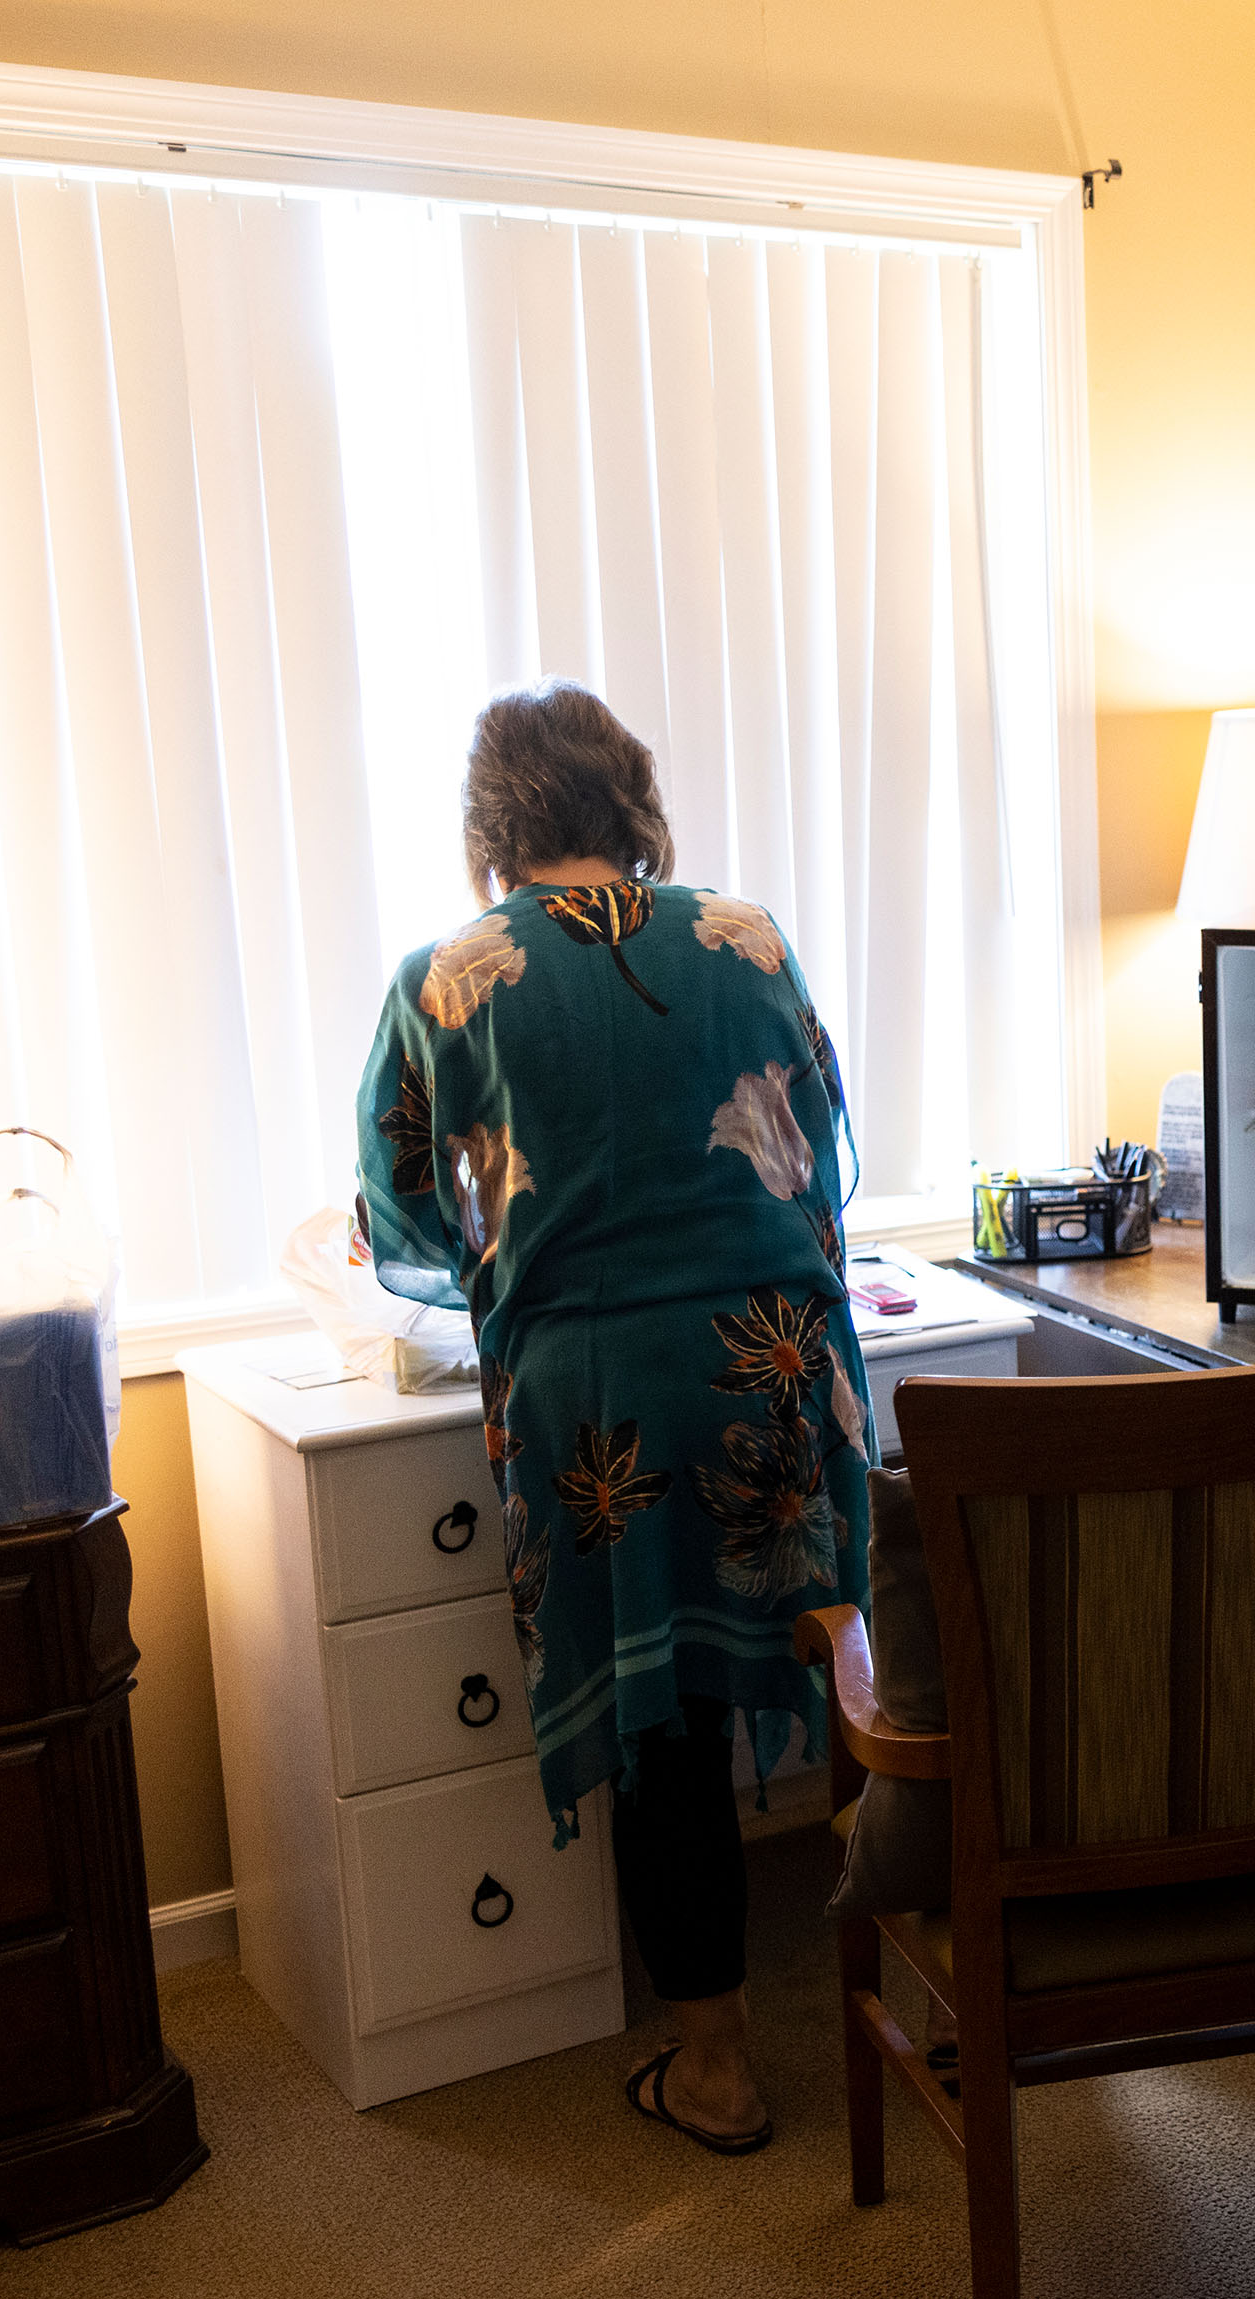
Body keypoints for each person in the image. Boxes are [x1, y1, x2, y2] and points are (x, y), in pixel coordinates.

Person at [354, 680, 870, 2159]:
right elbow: (819, 1138)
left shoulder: (446, 978)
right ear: (629, 799)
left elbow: (398, 1216)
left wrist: (510, 1250)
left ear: (493, 825)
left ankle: (718, 2068)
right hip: (775, 1359)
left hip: (598, 1398)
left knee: (666, 1718)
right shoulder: (746, 936)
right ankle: (926, 1995)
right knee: (860, 1679)